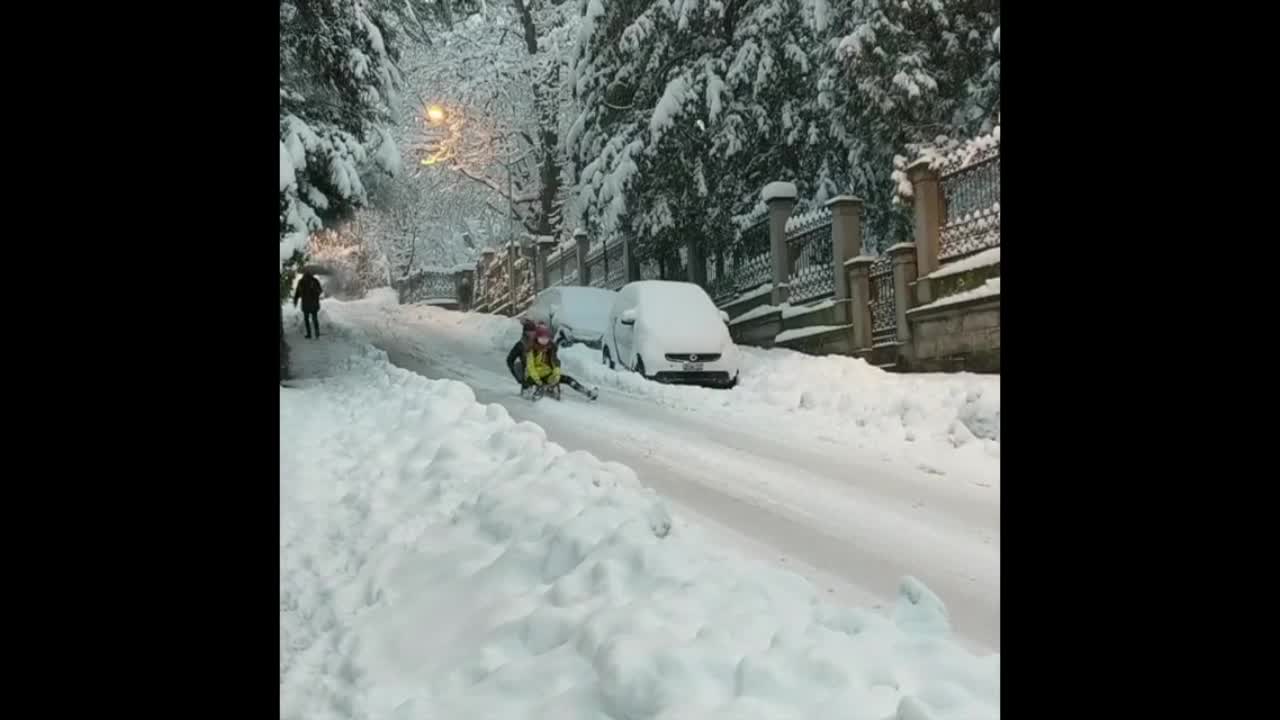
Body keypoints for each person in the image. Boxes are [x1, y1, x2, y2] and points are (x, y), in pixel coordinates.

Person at [526, 323, 599, 401]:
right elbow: (530, 367)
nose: (544, 340)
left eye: (546, 338)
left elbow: (555, 362)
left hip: (548, 375)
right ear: (537, 338)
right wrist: (538, 381)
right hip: (534, 376)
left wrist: (556, 374)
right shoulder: (531, 349)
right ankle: (536, 395)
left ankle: (587, 392)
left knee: (567, 379)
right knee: (538, 387)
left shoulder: (551, 348)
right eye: (541, 338)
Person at [506, 319, 537, 391]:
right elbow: (510, 360)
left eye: (533, 331)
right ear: (525, 332)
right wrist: (518, 375)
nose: (532, 334)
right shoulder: (520, 345)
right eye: (529, 332)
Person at [292, 270, 324, 339]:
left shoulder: (302, 281)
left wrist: (295, 301)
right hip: (313, 304)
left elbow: (297, 292)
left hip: (307, 304)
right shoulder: (313, 281)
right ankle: (316, 333)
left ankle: (310, 334)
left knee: (307, 319)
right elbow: (320, 291)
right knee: (314, 319)